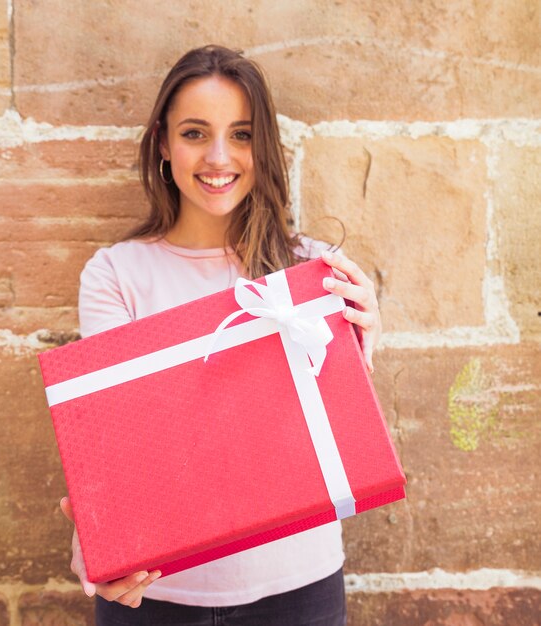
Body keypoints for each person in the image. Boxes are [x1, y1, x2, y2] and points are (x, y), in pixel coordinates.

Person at [59, 44, 381, 625]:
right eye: (193, 133)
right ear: (162, 142)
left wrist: (364, 342)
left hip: (300, 589)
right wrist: (99, 534)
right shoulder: (116, 274)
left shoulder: (311, 268)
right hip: (157, 596)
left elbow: (337, 436)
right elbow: (116, 446)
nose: (217, 156)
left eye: (240, 134)